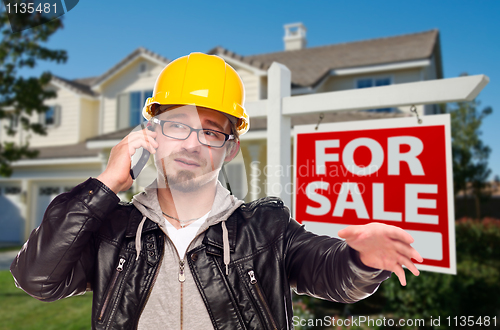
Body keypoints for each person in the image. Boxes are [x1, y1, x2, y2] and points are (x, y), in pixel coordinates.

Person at [10, 52, 422, 330]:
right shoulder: (112, 230)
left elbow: (330, 272)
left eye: (210, 132)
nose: (191, 143)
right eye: (177, 125)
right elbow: (37, 278)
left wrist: (361, 259)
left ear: (230, 149)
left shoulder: (266, 229)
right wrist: (104, 186)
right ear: (151, 133)